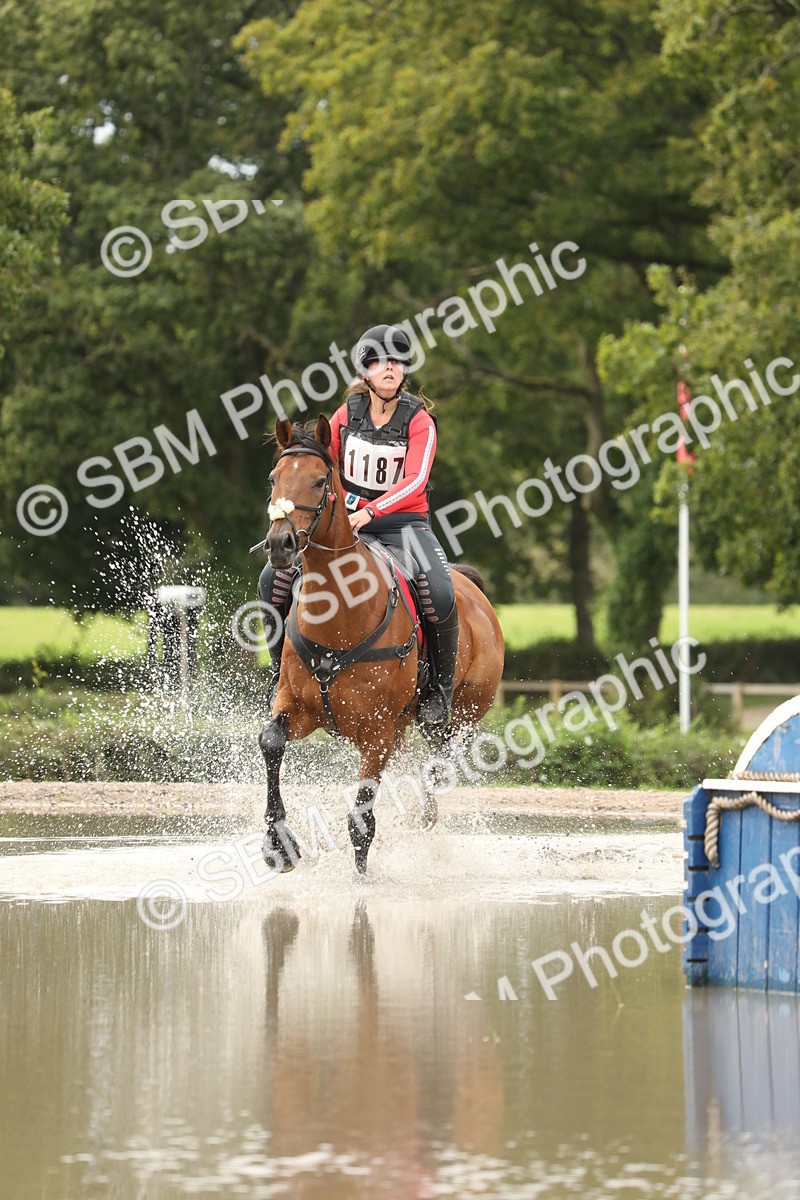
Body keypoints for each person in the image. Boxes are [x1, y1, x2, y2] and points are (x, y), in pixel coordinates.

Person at [258, 323, 458, 735]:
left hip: (404, 525)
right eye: (381, 362)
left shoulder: (419, 421)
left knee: (439, 590)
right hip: (349, 527)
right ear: (366, 372)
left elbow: (416, 480)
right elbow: (321, 467)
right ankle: (282, 675)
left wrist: (370, 510)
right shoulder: (346, 414)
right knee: (270, 581)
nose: (391, 368)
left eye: (398, 361)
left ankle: (439, 691)